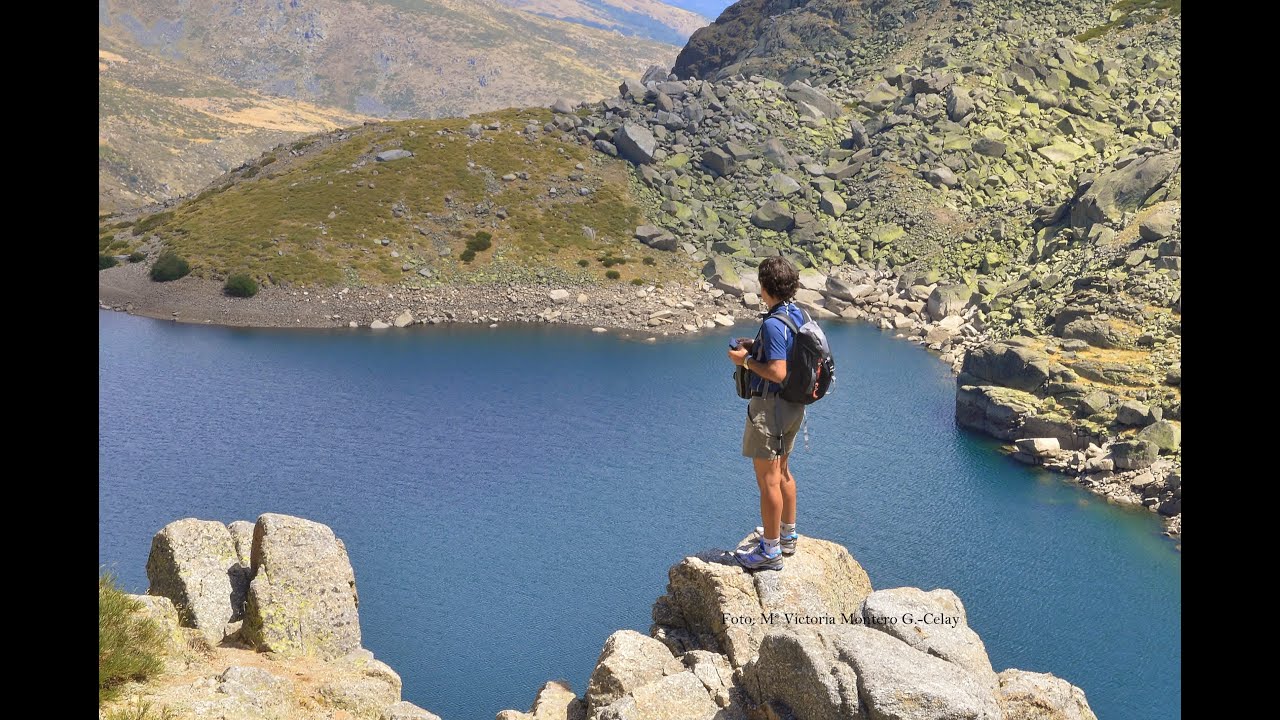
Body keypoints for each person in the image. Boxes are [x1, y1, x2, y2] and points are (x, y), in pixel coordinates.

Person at [726, 256, 805, 571]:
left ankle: (770, 552)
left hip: (771, 408)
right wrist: (755, 345)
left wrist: (744, 361)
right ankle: (787, 536)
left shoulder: (773, 323)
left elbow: (777, 371)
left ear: (764, 287)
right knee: (783, 472)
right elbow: (785, 352)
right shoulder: (795, 313)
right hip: (792, 407)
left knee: (768, 481)